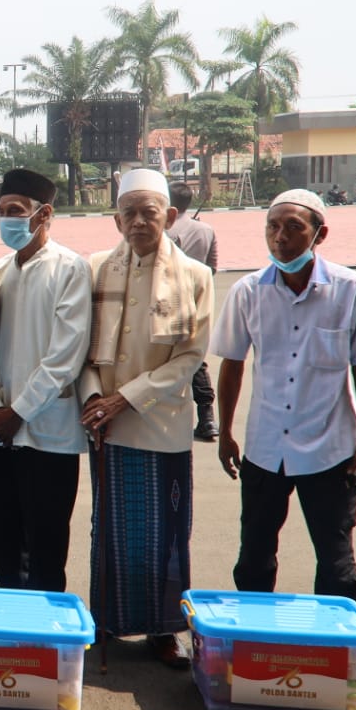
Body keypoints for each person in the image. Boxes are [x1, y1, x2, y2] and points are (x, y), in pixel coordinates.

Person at [213, 190, 356, 602]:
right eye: (272, 227)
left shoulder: (352, 289)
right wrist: (225, 432)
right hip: (265, 447)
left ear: (319, 234)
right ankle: (254, 643)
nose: (280, 237)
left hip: (330, 448)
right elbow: (232, 364)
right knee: (254, 554)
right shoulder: (248, 292)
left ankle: (341, 654)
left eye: (294, 227)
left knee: (335, 557)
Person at [78, 167, 214, 668]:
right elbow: (82, 350)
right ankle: (108, 620)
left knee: (165, 532)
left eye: (148, 213)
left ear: (170, 217)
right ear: (116, 220)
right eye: (129, 213)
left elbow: (190, 356)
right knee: (110, 529)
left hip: (161, 424)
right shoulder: (95, 268)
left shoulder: (196, 277)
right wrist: (95, 398)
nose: (138, 222)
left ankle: (163, 629)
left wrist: (124, 398)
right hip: (105, 425)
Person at [0, 169, 92, 593]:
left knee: (46, 541)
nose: (6, 219)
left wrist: (19, 411)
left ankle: (46, 638)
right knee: (6, 539)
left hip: (50, 432)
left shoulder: (70, 269)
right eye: (2, 211)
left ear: (43, 214)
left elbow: (66, 356)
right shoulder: (0, 269)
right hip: (2, 431)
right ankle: (10, 633)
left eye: (16, 211)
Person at [166, 181, 221, 440]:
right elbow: (212, 268)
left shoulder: (164, 230)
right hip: (199, 299)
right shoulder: (206, 230)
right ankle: (207, 418)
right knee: (197, 358)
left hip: (168, 301)